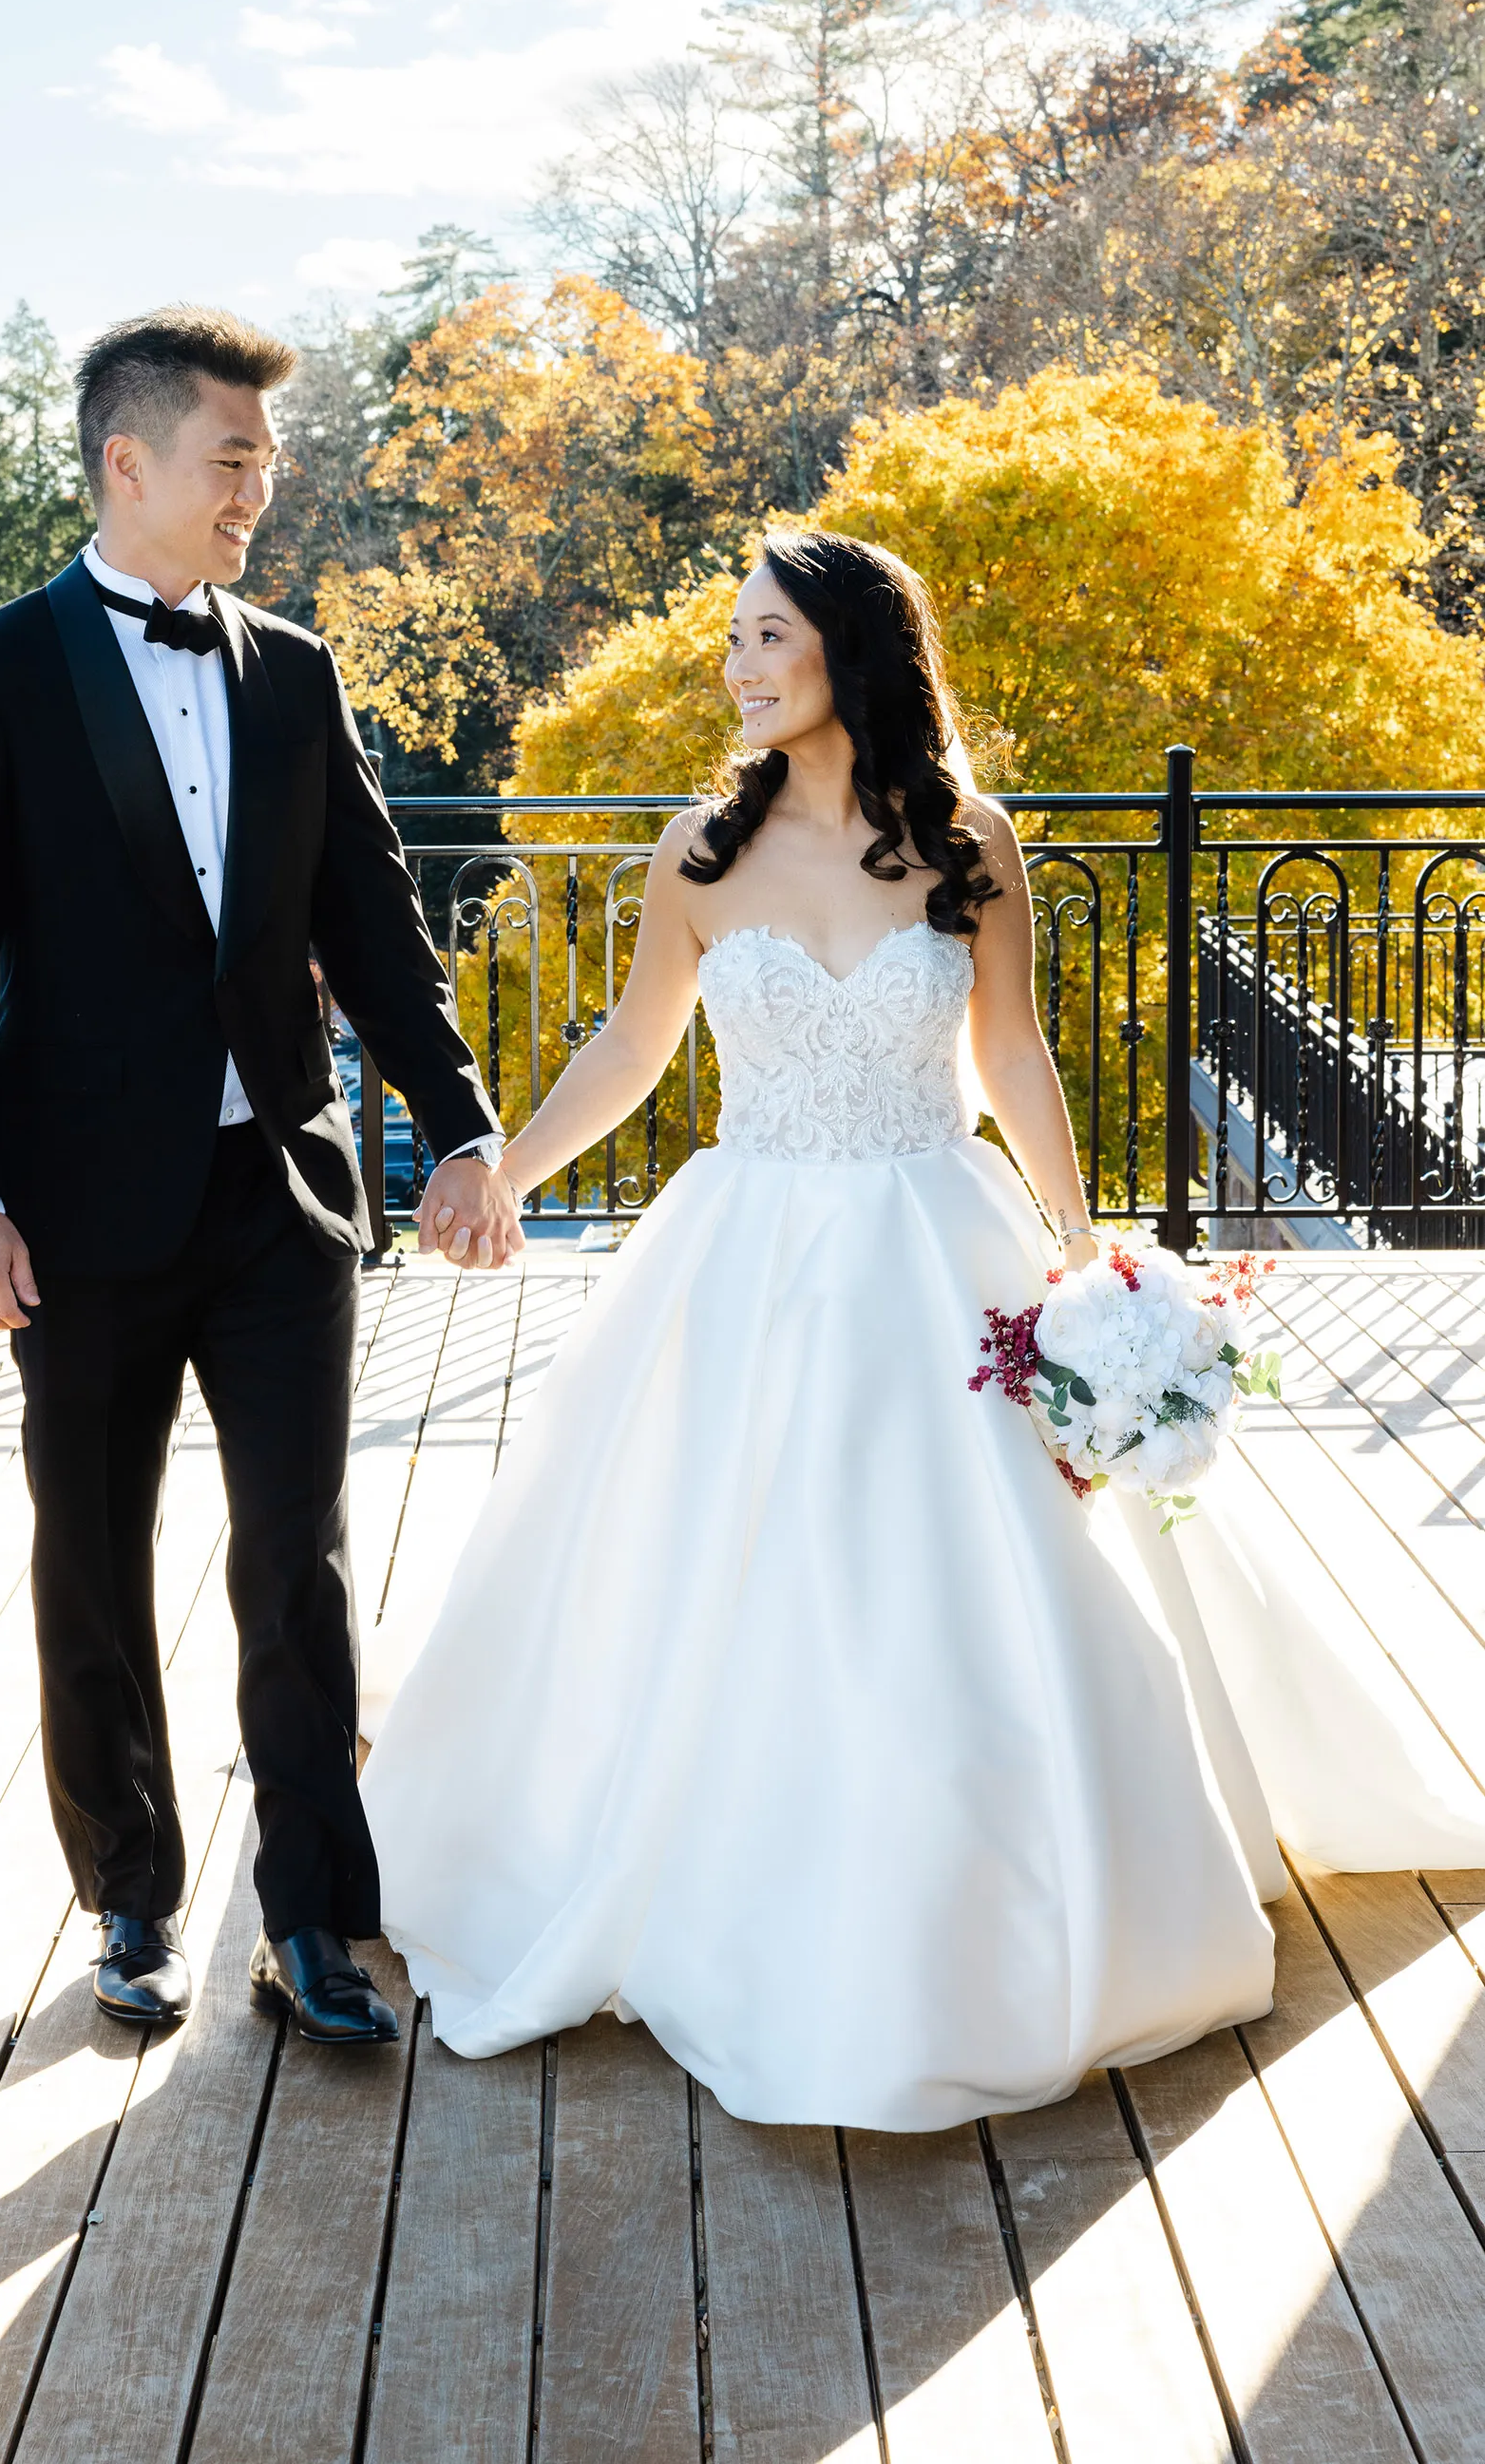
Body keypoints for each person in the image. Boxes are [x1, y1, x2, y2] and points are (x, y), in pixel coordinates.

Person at [363, 530, 1286, 2129]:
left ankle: (978, 1894)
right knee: (722, 1556)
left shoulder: (965, 838)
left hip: (940, 1239)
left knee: (961, 1573)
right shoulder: (698, 853)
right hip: (751, 1251)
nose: (740, 666)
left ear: (852, 649)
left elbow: (1010, 1055)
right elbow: (635, 1052)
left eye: (769, 636)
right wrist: (499, 1169)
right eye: (736, 640)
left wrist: (1087, 1260)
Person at [0, 304, 523, 2045]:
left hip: (280, 1200)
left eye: (269, 458)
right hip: (73, 1216)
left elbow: (374, 927)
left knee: (296, 1561)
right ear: (130, 460)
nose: (262, 486)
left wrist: (457, 1121)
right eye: (233, 456)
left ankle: (314, 1915)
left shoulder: (297, 672)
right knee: (89, 1556)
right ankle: (131, 1897)